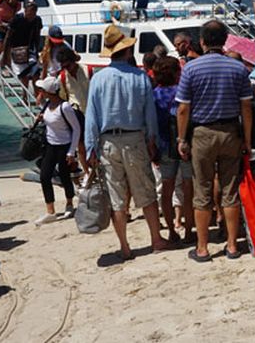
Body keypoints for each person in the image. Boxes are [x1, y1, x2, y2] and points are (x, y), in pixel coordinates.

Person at [85, 25, 172, 260]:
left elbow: (91, 116)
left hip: (107, 141)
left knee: (117, 196)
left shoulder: (98, 79)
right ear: (126, 51)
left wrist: (90, 146)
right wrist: (152, 139)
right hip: (134, 138)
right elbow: (149, 114)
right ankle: (156, 239)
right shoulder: (140, 77)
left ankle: (125, 246)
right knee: (145, 190)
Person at [176, 20, 253, 262]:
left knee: (203, 191)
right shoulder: (238, 69)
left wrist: (181, 139)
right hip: (231, 130)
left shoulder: (191, 69)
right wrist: (247, 140)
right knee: (230, 191)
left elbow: (183, 109)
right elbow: (246, 108)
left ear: (201, 41)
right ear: (225, 40)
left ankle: (202, 247)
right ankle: (231, 245)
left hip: (202, 133)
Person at [152, 56, 195, 243]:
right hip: (185, 145)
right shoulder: (183, 93)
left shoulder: (153, 95)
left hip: (164, 146)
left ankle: (171, 230)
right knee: (188, 189)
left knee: (167, 190)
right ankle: (189, 231)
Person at [34, 76, 81, 226]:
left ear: (48, 91)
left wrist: (71, 152)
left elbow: (76, 129)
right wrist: (41, 119)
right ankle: (50, 211)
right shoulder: (47, 105)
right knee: (44, 176)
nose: (40, 91)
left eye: (42, 90)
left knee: (64, 175)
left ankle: (69, 204)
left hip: (64, 146)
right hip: (50, 144)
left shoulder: (65, 107)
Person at [57, 45, 91, 176]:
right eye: (64, 67)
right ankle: (88, 173)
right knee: (81, 146)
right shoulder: (62, 78)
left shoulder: (88, 70)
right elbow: (63, 98)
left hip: (91, 114)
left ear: (74, 62)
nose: (67, 69)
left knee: (95, 145)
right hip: (76, 115)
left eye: (68, 66)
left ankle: (96, 171)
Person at [2, 1, 43, 92]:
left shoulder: (37, 20)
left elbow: (37, 36)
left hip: (30, 49)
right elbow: (8, 36)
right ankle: (24, 94)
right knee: (24, 74)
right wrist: (5, 55)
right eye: (30, 12)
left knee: (36, 74)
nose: (31, 15)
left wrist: (37, 52)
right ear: (25, 10)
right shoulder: (17, 19)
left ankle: (37, 96)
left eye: (34, 12)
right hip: (17, 50)